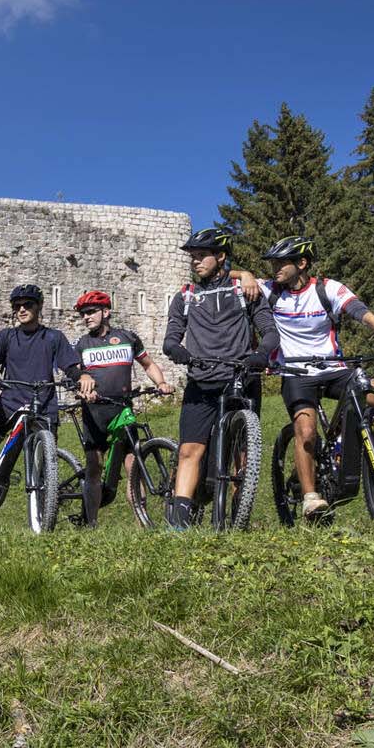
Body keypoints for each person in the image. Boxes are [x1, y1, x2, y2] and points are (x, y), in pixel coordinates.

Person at [234, 235, 374, 519]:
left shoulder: (328, 289)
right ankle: (310, 498)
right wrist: (244, 274)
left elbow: (364, 315)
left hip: (334, 369)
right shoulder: (269, 290)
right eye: (273, 263)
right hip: (295, 373)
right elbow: (220, 277)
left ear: (302, 263)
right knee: (306, 431)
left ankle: (351, 446)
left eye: (281, 262)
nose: (275, 268)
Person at [161, 226, 279, 530]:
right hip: (200, 382)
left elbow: (270, 331)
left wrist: (260, 354)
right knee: (190, 450)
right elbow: (171, 337)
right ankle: (179, 523)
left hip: (241, 379)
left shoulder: (245, 290)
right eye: (193, 257)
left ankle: (239, 518)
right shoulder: (185, 296)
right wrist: (176, 349)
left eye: (202, 255)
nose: (195, 261)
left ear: (221, 256)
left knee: (243, 454)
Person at [0, 284, 92, 519]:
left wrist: (82, 377)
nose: (22, 309)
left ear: (39, 307)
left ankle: (44, 512)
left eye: (27, 305)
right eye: (17, 306)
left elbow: (70, 366)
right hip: (9, 404)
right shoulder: (7, 337)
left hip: (43, 407)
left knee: (45, 463)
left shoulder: (53, 337)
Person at [69, 289, 175, 526]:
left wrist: (161, 383)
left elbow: (147, 364)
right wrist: (83, 388)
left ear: (106, 312)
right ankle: (91, 523)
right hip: (94, 412)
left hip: (122, 409)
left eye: (91, 312)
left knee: (133, 466)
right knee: (94, 467)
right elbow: (74, 374)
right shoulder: (81, 344)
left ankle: (141, 523)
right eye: (83, 314)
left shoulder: (128, 338)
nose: (86, 317)